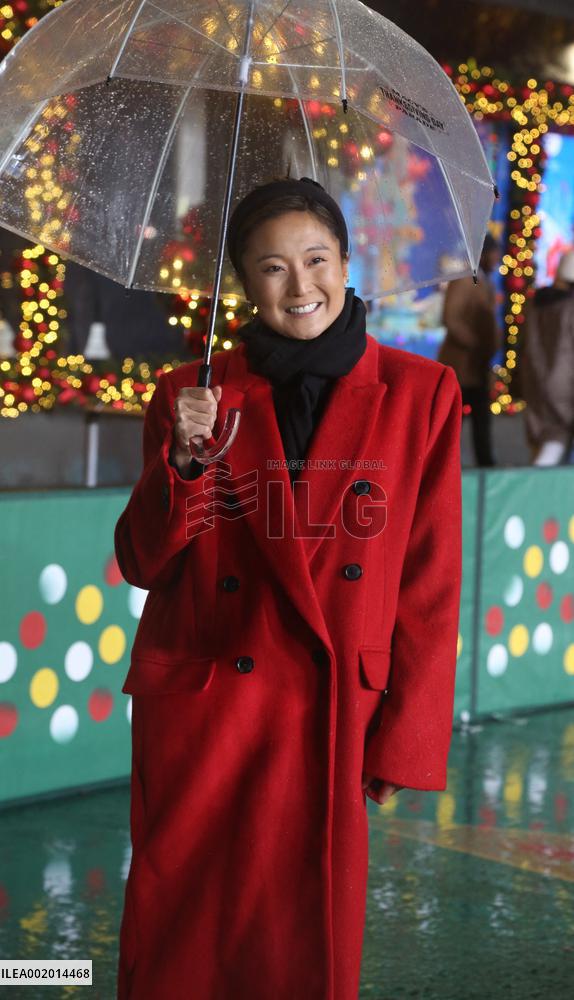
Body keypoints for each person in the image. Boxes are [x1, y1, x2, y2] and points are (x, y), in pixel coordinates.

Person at [114, 176, 463, 1000]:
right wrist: (186, 464)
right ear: (243, 281)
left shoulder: (423, 395)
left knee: (299, 951)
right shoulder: (190, 395)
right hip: (207, 707)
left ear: (347, 262)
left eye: (317, 259)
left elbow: (428, 579)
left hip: (332, 707)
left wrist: (403, 736)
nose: (300, 286)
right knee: (182, 945)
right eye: (273, 268)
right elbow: (141, 562)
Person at [437, 233, 502, 466]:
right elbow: (450, 318)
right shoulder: (464, 280)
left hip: (478, 366)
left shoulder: (484, 281)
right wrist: (473, 343)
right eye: (494, 253)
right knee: (454, 421)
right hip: (462, 367)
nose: (497, 259)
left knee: (480, 420)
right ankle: (441, 464)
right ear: (483, 254)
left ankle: (485, 464)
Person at [518, 248, 574, 466]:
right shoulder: (569, 307)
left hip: (535, 377)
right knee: (555, 440)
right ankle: (536, 490)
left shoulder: (537, 303)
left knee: (542, 439)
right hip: (564, 383)